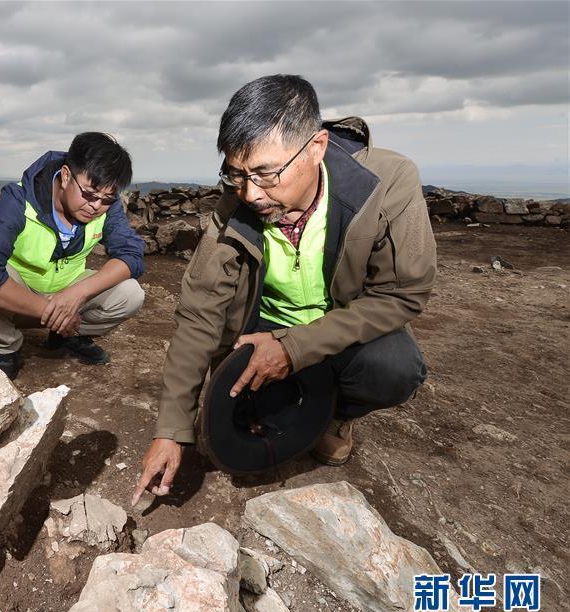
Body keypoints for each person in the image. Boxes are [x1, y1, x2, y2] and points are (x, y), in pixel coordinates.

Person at [132, 75, 436, 505]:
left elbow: (404, 294)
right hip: (262, 328)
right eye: (237, 174)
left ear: (316, 148)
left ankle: (335, 417)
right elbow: (199, 312)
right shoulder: (235, 204)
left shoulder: (387, 184)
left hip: (340, 327)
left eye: (266, 173)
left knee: (394, 367)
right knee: (228, 422)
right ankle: (281, 400)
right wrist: (171, 430)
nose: (251, 193)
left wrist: (293, 348)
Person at [0, 132, 145, 379]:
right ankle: (5, 347)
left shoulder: (103, 206)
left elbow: (132, 254)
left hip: (69, 290)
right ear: (67, 175)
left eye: (107, 199)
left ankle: (68, 336)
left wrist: (77, 294)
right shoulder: (19, 199)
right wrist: (53, 312)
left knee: (131, 294)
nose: (96, 206)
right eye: (89, 194)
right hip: (19, 296)